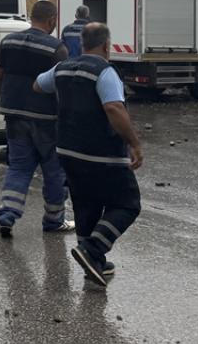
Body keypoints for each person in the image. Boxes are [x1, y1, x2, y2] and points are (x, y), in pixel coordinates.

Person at [34, 22, 143, 288]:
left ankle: (93, 266)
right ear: (107, 45)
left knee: (86, 206)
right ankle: (93, 249)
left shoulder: (62, 68)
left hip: (68, 151)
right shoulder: (105, 72)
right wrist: (134, 144)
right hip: (102, 154)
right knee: (128, 204)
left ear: (81, 44)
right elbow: (115, 109)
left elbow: (38, 85)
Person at [0, 0, 73, 237]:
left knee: (19, 168)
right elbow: (63, 87)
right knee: (54, 171)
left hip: (14, 117)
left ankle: (7, 215)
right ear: (52, 20)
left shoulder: (8, 42)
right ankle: (54, 220)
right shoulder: (57, 49)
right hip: (47, 120)